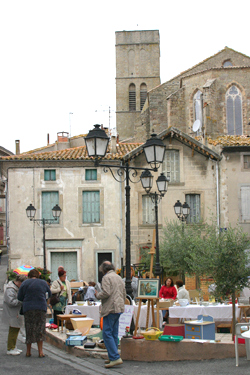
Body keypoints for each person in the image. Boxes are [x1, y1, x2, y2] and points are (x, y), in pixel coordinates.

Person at [95, 261, 126, 369]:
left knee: (107, 333)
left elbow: (106, 292)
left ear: (103, 269)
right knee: (114, 333)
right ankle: (112, 356)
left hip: (110, 308)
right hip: (119, 307)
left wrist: (97, 295)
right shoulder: (118, 277)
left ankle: (114, 357)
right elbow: (124, 293)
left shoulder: (106, 278)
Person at [17, 269, 51, 357]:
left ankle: (28, 351)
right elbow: (49, 294)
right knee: (40, 329)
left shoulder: (24, 283)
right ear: (38, 276)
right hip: (40, 308)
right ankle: (40, 352)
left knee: (29, 329)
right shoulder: (43, 283)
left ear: (29, 275)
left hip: (28, 308)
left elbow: (19, 297)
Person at [2, 274, 27, 355]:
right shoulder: (10, 289)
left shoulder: (15, 288)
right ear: (19, 282)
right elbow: (11, 302)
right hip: (12, 313)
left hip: (15, 312)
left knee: (16, 329)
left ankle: (13, 346)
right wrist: (21, 301)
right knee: (13, 330)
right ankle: (10, 348)